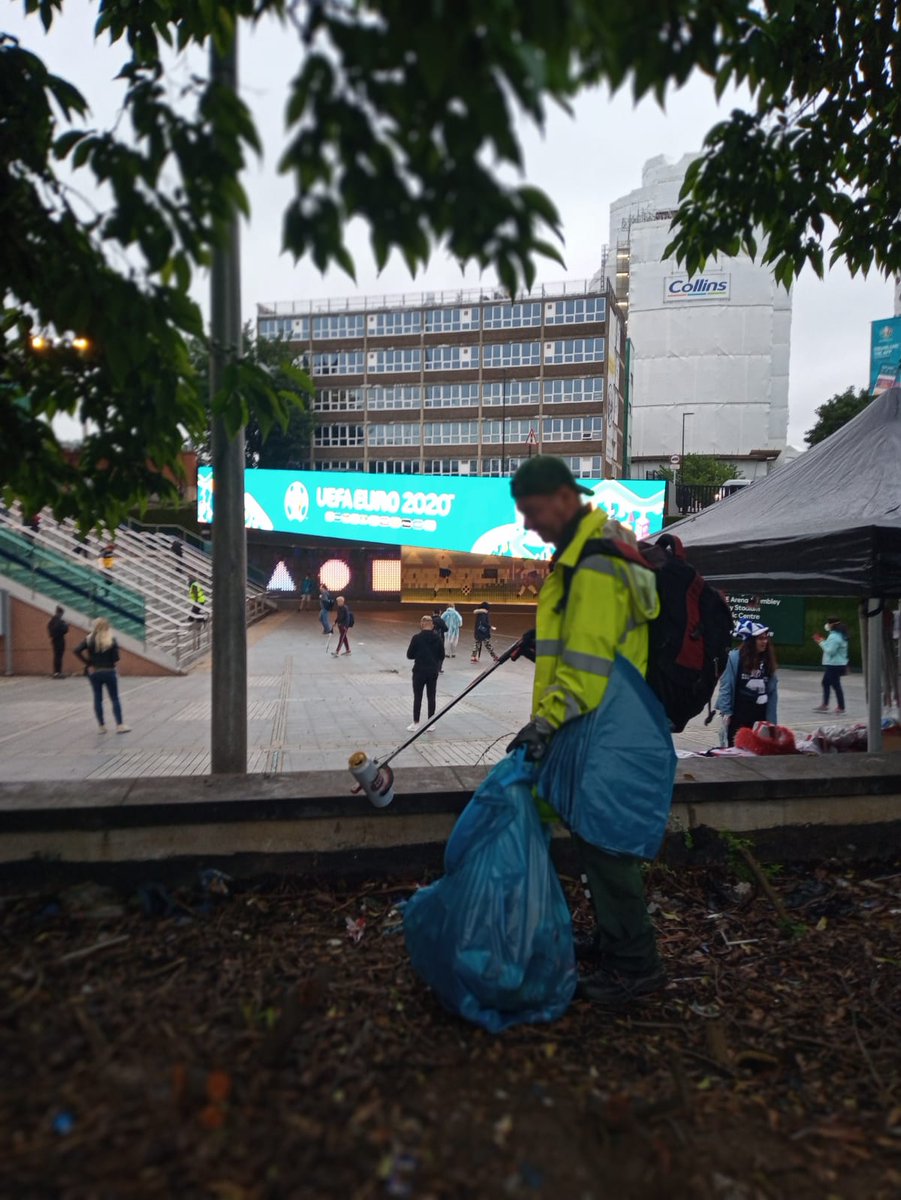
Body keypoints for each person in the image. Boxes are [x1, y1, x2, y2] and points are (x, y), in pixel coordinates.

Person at [506, 455, 666, 1007]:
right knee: (594, 835)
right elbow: (585, 641)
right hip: (604, 721)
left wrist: (543, 723)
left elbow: (588, 665)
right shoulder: (590, 556)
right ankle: (615, 939)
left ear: (563, 498)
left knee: (605, 841)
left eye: (532, 511)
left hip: (596, 720)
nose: (529, 524)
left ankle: (636, 964)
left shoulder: (594, 565)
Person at [715, 620, 779, 745]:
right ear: (751, 641)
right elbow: (726, 687)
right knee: (737, 749)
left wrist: (772, 723)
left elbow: (772, 693)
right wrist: (726, 713)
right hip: (739, 714)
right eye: (760, 639)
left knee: (758, 749)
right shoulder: (735, 658)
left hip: (760, 715)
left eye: (766, 638)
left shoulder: (767, 661)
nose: (764, 642)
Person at [73, 617, 130, 734]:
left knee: (97, 698)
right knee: (114, 698)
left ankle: (101, 726)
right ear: (107, 627)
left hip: (95, 672)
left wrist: (88, 662)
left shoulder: (89, 639)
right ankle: (119, 725)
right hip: (109, 671)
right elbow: (116, 658)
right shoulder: (111, 639)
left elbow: (76, 650)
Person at [406, 615, 445, 732]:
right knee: (431, 696)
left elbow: (409, 655)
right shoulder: (438, 638)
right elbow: (442, 656)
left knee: (418, 697)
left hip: (419, 671)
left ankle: (416, 723)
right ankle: (431, 723)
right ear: (432, 625)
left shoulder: (416, 638)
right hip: (432, 671)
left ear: (422, 624)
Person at [813, 617, 849, 714]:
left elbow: (830, 651)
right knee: (826, 682)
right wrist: (824, 641)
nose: (827, 625)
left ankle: (840, 707)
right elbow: (831, 646)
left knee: (835, 685)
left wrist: (820, 642)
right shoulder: (838, 635)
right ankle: (826, 704)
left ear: (832, 625)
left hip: (834, 664)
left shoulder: (835, 636)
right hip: (836, 664)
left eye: (828, 623)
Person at [47, 605, 68, 678]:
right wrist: (66, 626)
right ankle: (58, 672)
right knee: (59, 656)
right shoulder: (59, 621)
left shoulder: (51, 621)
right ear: (60, 613)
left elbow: (50, 630)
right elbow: (64, 630)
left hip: (54, 640)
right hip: (59, 640)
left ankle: (56, 672)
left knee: (57, 656)